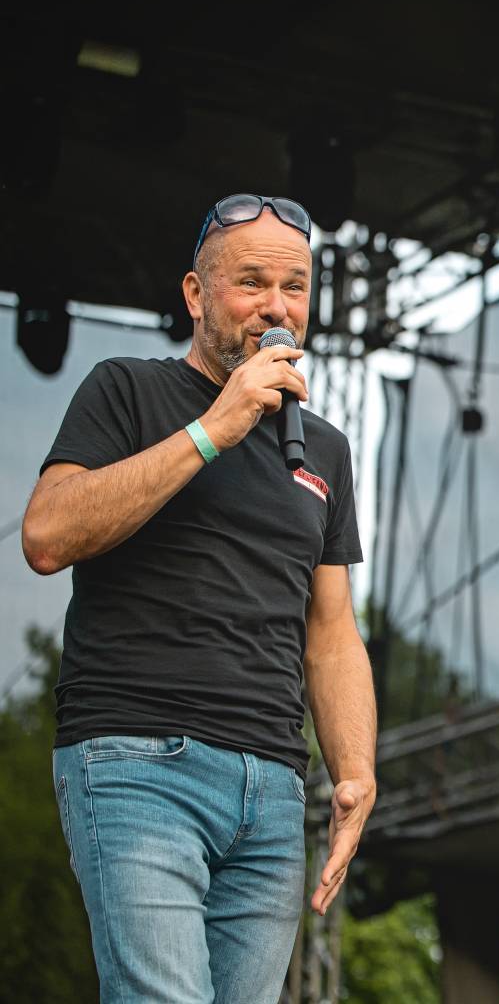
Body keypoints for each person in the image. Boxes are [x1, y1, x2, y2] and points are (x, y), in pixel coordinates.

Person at [20, 193, 377, 1002]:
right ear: (195, 294)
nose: (276, 307)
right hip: (138, 761)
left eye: (294, 286)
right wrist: (217, 426)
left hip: (273, 790)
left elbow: (331, 631)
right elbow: (46, 535)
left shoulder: (323, 448)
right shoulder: (127, 392)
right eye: (251, 282)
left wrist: (354, 769)